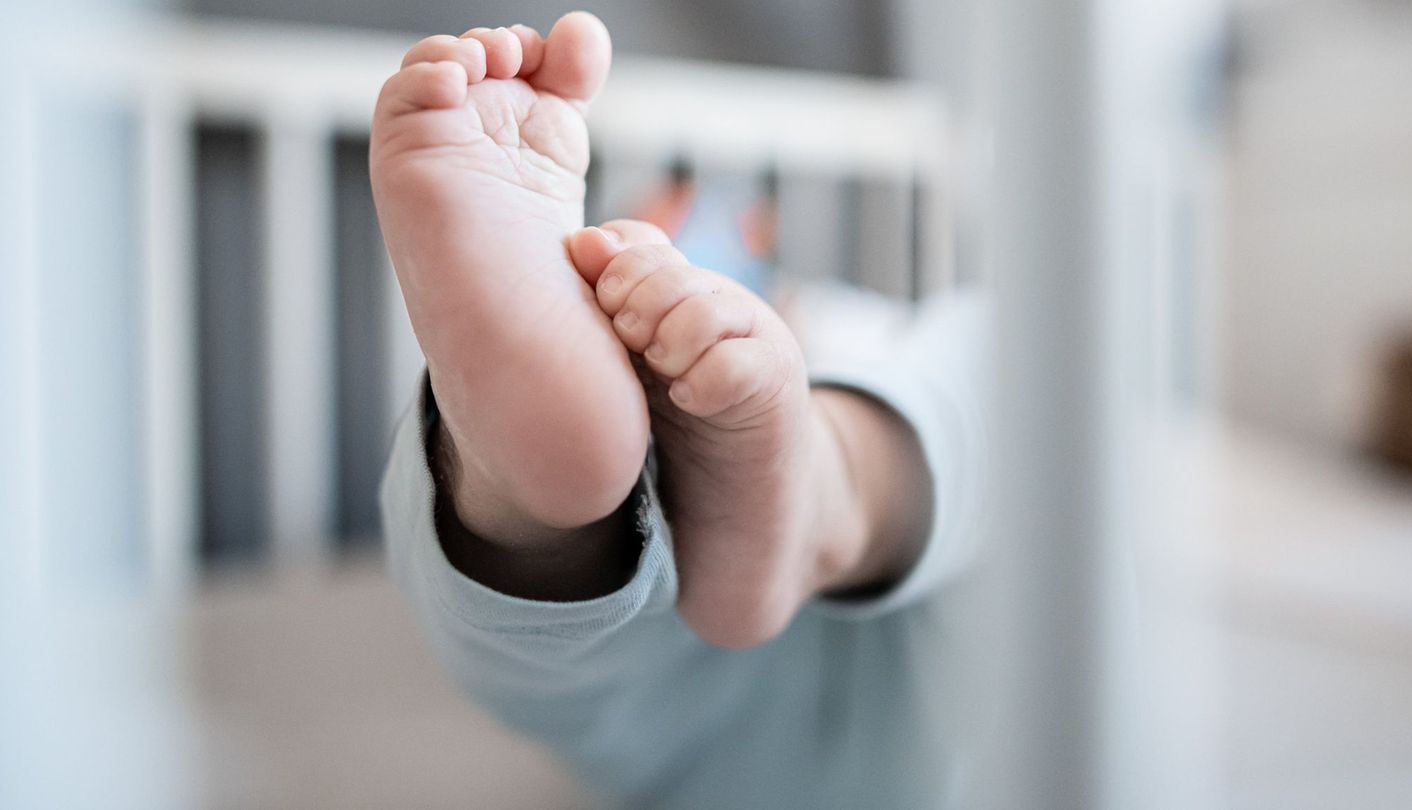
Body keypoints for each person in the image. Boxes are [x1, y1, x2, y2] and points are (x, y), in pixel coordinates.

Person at [372, 12, 989, 808]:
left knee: (575, 661)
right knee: (1024, 367)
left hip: (719, 740)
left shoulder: (831, 326)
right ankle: (550, 503)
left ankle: (528, 516)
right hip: (957, 730)